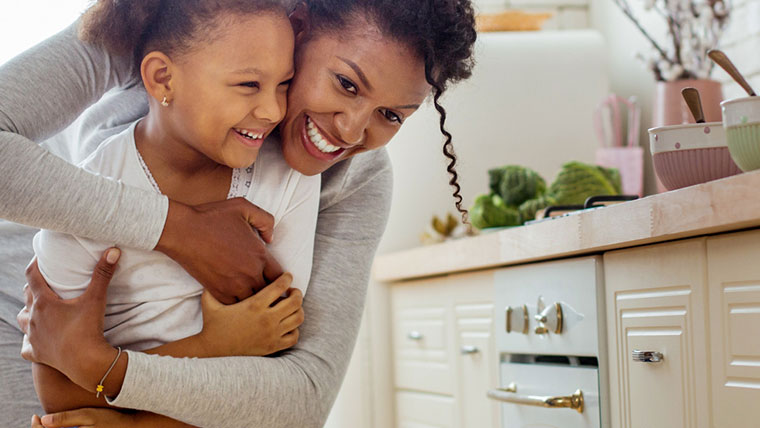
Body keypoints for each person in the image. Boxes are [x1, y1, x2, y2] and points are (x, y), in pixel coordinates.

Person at [3, 0, 478, 426]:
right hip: (35, 308)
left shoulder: (355, 181)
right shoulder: (170, 21)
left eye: (392, 115)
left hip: (140, 367)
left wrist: (117, 389)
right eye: (345, 83)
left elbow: (301, 393)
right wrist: (178, 229)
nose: (353, 131)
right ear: (299, 24)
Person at [29, 0, 318, 414]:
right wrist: (214, 346)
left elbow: (273, 377)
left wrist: (104, 375)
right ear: (163, 78)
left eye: (284, 83)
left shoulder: (288, 177)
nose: (273, 110)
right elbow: (58, 398)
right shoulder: (86, 199)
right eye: (248, 85)